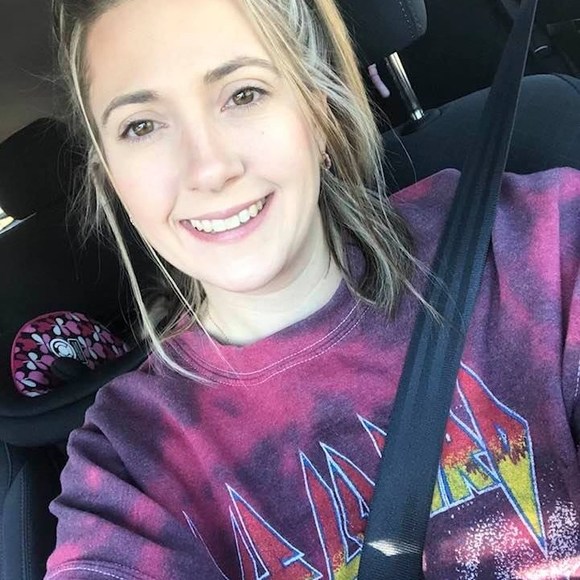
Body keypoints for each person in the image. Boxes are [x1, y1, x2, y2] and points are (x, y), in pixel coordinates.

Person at [45, 0, 580, 577]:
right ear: (112, 177)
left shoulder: (534, 243)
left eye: (244, 93)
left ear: (318, 111)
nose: (209, 169)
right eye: (142, 126)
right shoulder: (133, 458)